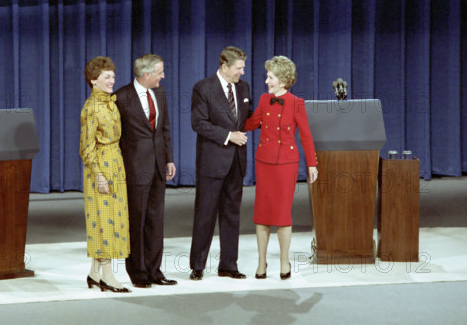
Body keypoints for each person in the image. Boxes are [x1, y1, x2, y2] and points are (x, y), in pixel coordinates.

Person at [244, 56, 318, 280]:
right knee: (262, 214)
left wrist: (312, 164)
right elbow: (251, 123)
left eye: (271, 77)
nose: (267, 81)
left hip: (286, 165)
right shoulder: (264, 100)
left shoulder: (297, 103)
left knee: (283, 215)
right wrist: (231, 116)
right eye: (267, 76)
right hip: (264, 163)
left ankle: (284, 261)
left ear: (283, 81)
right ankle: (261, 262)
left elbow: (305, 136)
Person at [189, 46, 252, 281]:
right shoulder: (203, 88)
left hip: (236, 162)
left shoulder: (243, 88)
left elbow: (248, 117)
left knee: (232, 215)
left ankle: (228, 265)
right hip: (212, 161)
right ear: (224, 67)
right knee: (205, 214)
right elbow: (199, 123)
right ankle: (198, 265)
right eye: (238, 68)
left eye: (243, 68)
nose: (242, 73)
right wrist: (229, 136)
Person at [115, 54, 177, 288]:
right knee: (137, 221)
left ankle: (155, 270)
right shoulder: (121, 97)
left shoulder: (159, 93)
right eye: (160, 72)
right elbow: (116, 137)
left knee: (155, 221)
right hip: (135, 169)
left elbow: (165, 129)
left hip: (159, 167)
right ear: (146, 74)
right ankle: (137, 272)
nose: (163, 76)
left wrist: (169, 158)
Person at [79, 56, 131, 293]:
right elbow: (86, 147)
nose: (112, 80)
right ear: (93, 81)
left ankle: (94, 273)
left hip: (115, 162)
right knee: (104, 221)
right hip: (99, 167)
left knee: (114, 218)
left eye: (113, 76)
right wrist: (98, 175)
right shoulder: (91, 108)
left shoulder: (110, 103)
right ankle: (108, 277)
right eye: (106, 77)